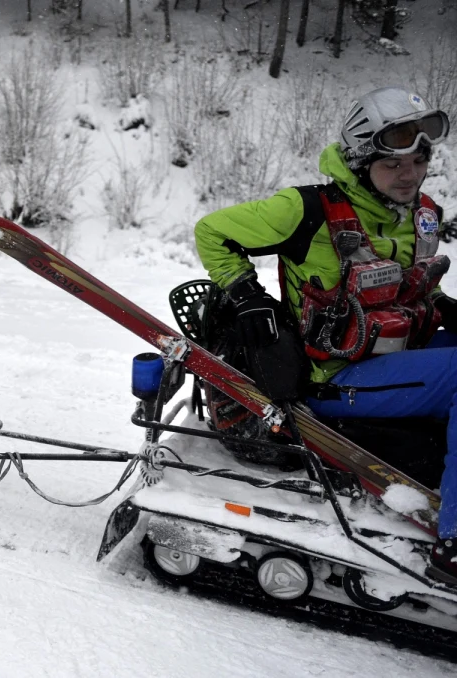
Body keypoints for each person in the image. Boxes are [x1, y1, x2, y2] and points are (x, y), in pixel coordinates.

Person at [193, 86, 457, 584]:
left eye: (420, 160)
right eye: (392, 164)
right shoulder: (306, 210)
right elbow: (212, 230)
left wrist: (440, 305)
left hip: (398, 359)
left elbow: (396, 285)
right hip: (335, 377)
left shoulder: (422, 214)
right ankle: (455, 541)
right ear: (361, 163)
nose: (409, 174)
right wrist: (245, 294)